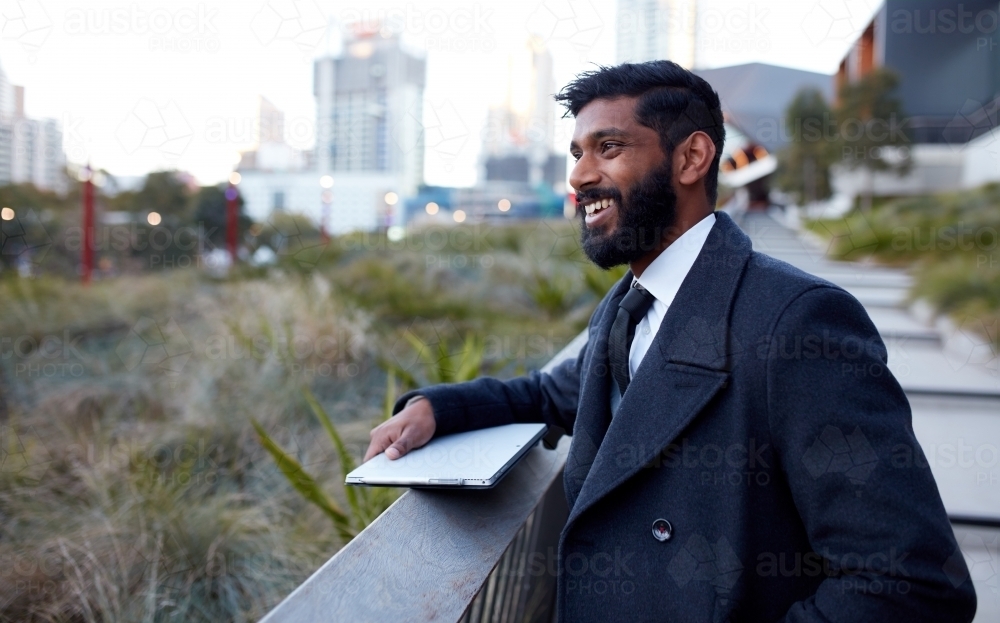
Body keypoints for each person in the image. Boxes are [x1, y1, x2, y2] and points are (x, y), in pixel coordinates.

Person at [364, 61, 976, 622]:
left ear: (691, 158)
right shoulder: (627, 308)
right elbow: (553, 395)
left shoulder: (799, 325)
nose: (579, 176)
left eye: (609, 147)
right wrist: (439, 408)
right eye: (576, 152)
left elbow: (909, 583)